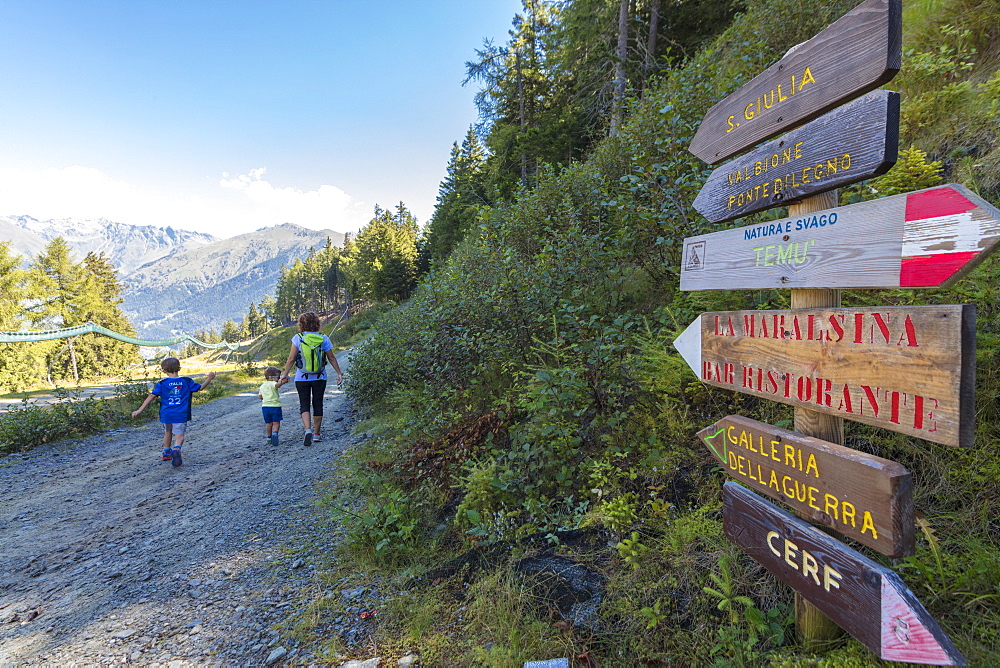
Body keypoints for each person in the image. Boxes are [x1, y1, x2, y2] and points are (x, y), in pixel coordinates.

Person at [132, 357, 216, 467]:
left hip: (166, 414)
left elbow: (152, 395)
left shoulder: (162, 383)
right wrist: (209, 378)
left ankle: (166, 452)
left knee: (168, 431)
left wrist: (140, 409)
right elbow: (200, 388)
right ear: (179, 368)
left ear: (164, 371)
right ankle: (176, 448)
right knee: (179, 435)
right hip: (180, 414)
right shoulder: (186, 381)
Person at [280, 311, 343, 447]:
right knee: (318, 404)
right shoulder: (323, 338)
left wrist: (285, 374)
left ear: (301, 324)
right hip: (320, 377)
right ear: (317, 323)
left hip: (301, 377)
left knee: (304, 404)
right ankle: (316, 434)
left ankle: (307, 429)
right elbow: (331, 357)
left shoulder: (298, 337)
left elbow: (291, 358)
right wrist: (339, 373)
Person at [258, 366, 288, 447]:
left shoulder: (262, 385)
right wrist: (282, 382)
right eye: (277, 377)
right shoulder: (273, 383)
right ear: (271, 377)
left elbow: (260, 397)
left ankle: (269, 437)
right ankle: (275, 433)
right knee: (276, 422)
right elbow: (277, 385)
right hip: (275, 406)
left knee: (268, 423)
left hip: (265, 407)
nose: (278, 379)